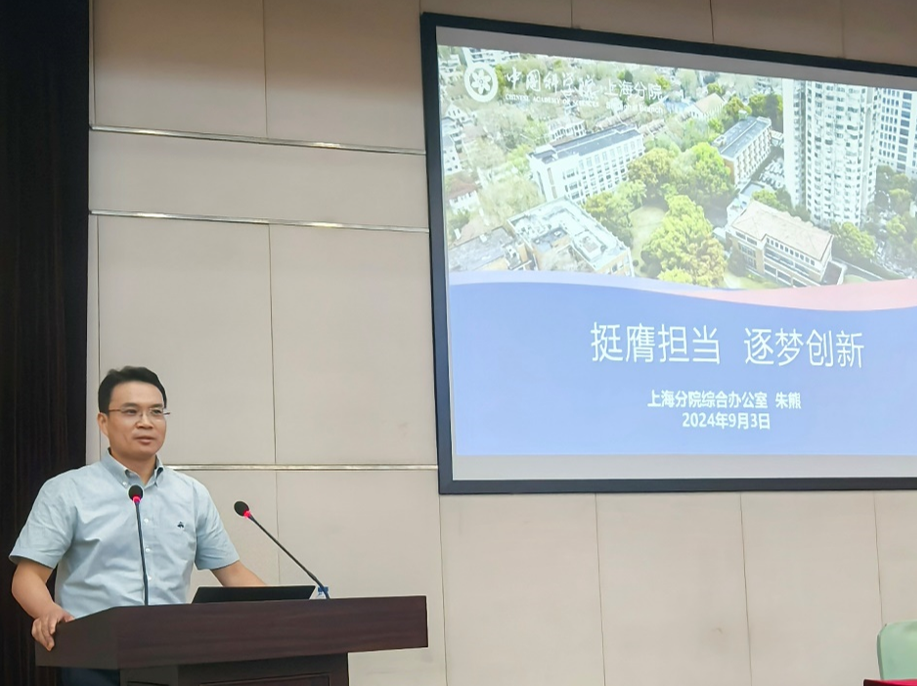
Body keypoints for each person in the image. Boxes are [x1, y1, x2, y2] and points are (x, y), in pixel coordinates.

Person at [10, 366, 265, 686]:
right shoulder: (66, 491)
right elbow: (27, 578)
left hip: (174, 657)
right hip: (94, 658)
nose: (146, 422)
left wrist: (288, 612)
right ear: (103, 421)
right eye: (131, 411)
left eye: (156, 412)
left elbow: (234, 574)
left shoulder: (191, 494)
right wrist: (48, 610)